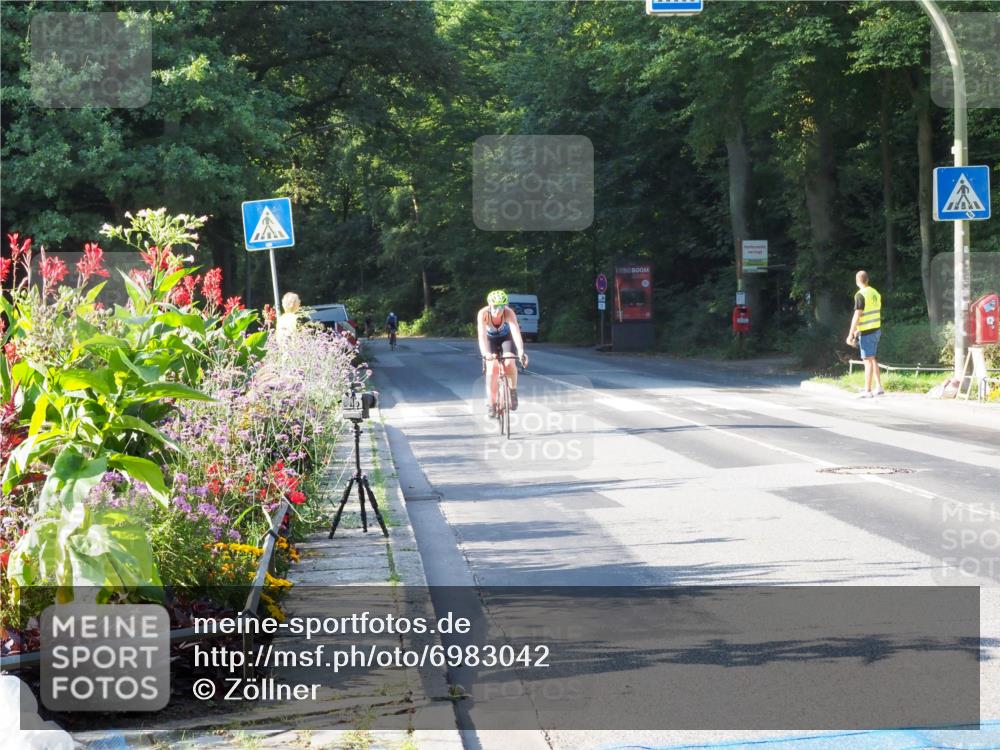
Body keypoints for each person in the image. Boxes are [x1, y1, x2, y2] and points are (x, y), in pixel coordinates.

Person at [477, 289, 528, 418]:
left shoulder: (509, 313)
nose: (497, 310)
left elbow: (516, 333)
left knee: (509, 361)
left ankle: (512, 391)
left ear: (505, 306)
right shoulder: (483, 314)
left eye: (501, 306)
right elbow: (482, 335)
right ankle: (492, 403)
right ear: (489, 305)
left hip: (506, 338)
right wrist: (485, 354)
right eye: (494, 306)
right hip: (490, 341)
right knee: (492, 367)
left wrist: (521, 351)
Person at [846, 270, 884, 398]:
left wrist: (851, 333)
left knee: (867, 360)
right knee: (873, 358)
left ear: (857, 281)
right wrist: (859, 329)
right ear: (867, 279)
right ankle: (878, 387)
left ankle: (868, 390)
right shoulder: (875, 293)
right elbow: (872, 312)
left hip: (868, 332)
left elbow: (857, 315)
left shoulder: (860, 295)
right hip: (876, 329)